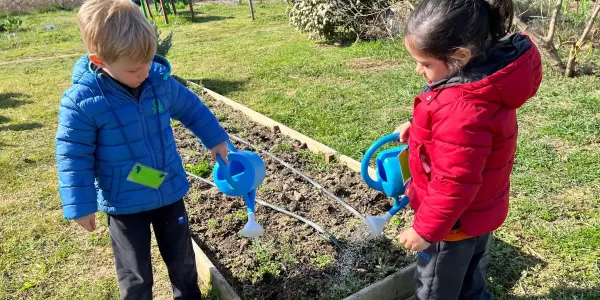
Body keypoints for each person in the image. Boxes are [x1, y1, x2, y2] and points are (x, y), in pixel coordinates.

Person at [55, 0, 230, 298]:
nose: (145, 72)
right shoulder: (82, 102)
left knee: (182, 260)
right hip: (124, 201)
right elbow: (74, 154)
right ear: (99, 62)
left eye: (149, 62)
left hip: (168, 189)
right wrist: (80, 204)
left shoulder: (159, 83)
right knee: (134, 271)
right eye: (135, 68)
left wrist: (215, 139)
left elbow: (192, 109)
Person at [394, 0, 542, 299]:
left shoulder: (461, 109)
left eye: (425, 63)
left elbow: (454, 182)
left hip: (451, 226)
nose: (418, 70)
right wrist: (419, 130)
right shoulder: (484, 79)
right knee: (469, 278)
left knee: (436, 288)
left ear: (461, 55)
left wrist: (425, 231)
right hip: (479, 212)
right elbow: (464, 144)